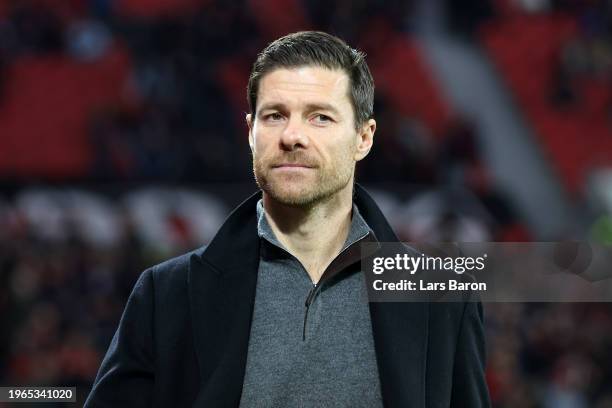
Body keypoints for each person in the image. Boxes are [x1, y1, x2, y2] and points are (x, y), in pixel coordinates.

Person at [84, 31, 490, 407]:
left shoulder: (443, 299)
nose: (292, 136)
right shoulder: (166, 295)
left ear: (363, 138)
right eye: (275, 115)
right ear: (250, 132)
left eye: (320, 118)